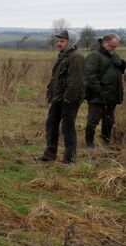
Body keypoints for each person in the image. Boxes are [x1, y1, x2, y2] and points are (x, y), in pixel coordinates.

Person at [35, 31, 84, 164]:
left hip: (69, 100)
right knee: (51, 124)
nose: (59, 44)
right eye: (58, 41)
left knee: (67, 128)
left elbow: (76, 82)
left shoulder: (76, 57)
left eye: (62, 41)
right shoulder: (63, 56)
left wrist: (67, 99)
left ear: (71, 42)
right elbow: (57, 78)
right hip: (58, 98)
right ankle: (49, 154)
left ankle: (69, 159)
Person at [83, 33, 123, 149]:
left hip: (112, 95)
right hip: (97, 95)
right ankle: (89, 144)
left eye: (115, 47)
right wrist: (100, 92)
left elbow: (117, 71)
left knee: (108, 120)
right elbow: (90, 75)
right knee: (93, 120)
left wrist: (122, 64)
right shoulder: (94, 55)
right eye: (112, 46)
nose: (114, 49)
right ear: (104, 43)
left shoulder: (113, 54)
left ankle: (105, 142)